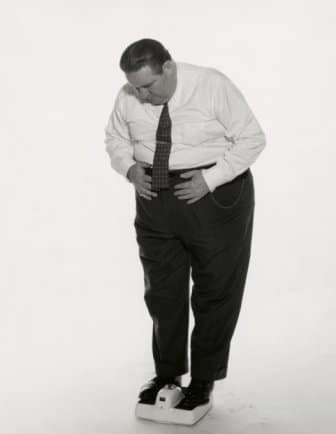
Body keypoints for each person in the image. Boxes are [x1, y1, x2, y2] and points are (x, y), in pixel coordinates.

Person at [104, 38, 266, 411]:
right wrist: (129, 167)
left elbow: (252, 138)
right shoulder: (128, 95)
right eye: (135, 87)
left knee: (214, 289)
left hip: (212, 191)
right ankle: (168, 374)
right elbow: (115, 137)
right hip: (153, 194)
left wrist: (211, 179)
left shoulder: (211, 86)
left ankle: (204, 380)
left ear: (169, 68)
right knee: (162, 291)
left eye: (149, 85)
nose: (142, 95)